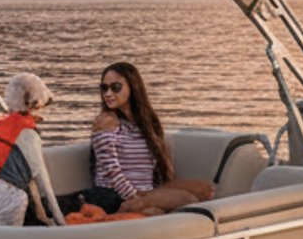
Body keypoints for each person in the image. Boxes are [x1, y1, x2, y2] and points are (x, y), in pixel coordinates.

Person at [90, 62, 214, 214]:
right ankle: (137, 209)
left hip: (147, 191)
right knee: (186, 201)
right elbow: (111, 170)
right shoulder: (106, 121)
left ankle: (148, 207)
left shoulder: (146, 123)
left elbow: (155, 166)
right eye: (104, 88)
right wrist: (133, 197)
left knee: (206, 190)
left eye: (115, 87)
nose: (108, 94)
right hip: (118, 195)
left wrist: (159, 191)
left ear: (133, 87)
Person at [0, 72, 66, 229]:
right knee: (20, 196)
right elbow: (42, 180)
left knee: (20, 194)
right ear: (34, 103)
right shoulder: (26, 133)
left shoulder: (4, 127)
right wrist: (61, 221)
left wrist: (43, 217)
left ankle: (39, 221)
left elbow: (29, 178)